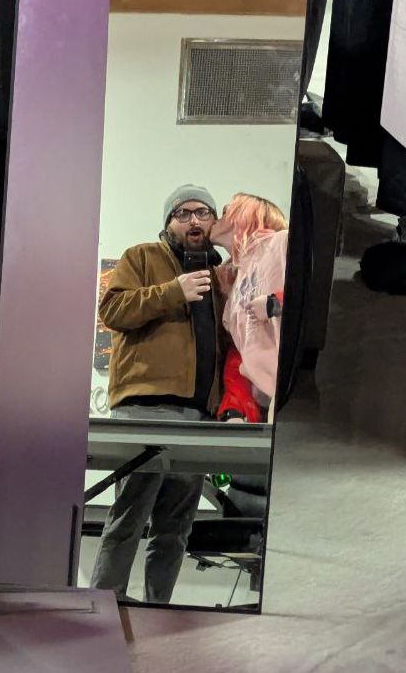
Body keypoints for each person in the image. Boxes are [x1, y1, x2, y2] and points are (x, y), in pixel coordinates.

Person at [91, 184, 224, 603]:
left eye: (203, 212)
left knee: (176, 526)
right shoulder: (142, 256)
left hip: (199, 416)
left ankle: (158, 610)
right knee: (129, 517)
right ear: (168, 222)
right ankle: (103, 608)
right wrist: (173, 291)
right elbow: (112, 310)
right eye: (183, 213)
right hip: (144, 407)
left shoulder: (222, 273)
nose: (194, 220)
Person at [210, 193, 288, 422]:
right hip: (270, 398)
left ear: (247, 215)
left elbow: (316, 291)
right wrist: (235, 408)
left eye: (226, 211)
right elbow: (240, 354)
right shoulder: (233, 287)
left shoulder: (281, 242)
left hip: (294, 387)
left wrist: (276, 303)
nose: (217, 219)